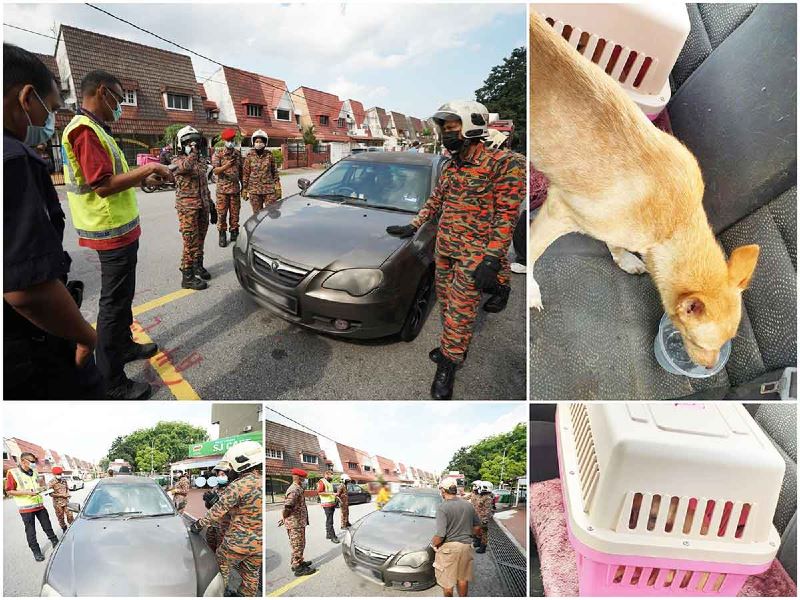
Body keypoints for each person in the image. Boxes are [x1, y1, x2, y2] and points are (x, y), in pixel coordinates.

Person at [386, 100, 525, 400]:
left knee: (461, 313)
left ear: (472, 126)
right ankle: (454, 344)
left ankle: (449, 363)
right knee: (448, 305)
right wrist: (414, 225)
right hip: (446, 248)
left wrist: (492, 258)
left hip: (475, 255)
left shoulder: (503, 163)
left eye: (453, 128)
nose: (447, 134)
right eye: (444, 129)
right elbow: (436, 200)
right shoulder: (452, 165)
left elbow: (506, 214)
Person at [62, 69, 173, 400]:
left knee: (122, 297)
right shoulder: (84, 130)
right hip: (109, 231)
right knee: (113, 304)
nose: (120, 105)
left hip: (121, 230)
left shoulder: (97, 129)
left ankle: (123, 347)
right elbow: (103, 185)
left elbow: (115, 177)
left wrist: (143, 180)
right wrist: (149, 168)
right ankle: (111, 380)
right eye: (119, 98)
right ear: (101, 92)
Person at [4, 44, 104, 400]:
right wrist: (86, 337)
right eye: (52, 109)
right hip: (27, 345)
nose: (52, 121)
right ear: (27, 97)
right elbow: (27, 289)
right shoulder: (14, 160)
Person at [190, 441, 263, 597]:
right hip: (260, 545)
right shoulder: (263, 481)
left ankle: (220, 593)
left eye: (228, 468)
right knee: (251, 575)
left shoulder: (239, 485)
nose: (226, 473)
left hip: (237, 542)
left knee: (220, 567)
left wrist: (197, 526)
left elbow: (217, 511)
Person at [171, 125, 216, 291]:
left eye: (195, 142)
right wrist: (192, 153)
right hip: (187, 208)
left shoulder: (200, 161)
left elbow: (204, 185)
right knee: (190, 242)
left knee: (201, 239)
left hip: (202, 205)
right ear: (181, 144)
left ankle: (198, 265)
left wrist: (211, 205)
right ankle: (187, 275)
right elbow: (185, 168)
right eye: (189, 142)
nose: (193, 145)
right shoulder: (177, 161)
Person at [431, 476, 481, 597]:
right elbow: (477, 528)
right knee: (462, 579)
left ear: (443, 491)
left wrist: (434, 544)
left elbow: (441, 535)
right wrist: (468, 534)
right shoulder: (468, 505)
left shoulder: (442, 508)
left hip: (448, 549)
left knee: (447, 583)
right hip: (465, 547)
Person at [5, 452, 59, 562]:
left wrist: (44, 488)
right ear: (23, 461)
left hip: (39, 505)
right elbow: (9, 491)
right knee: (31, 531)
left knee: (47, 525)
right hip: (26, 508)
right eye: (32, 462)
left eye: (35, 462)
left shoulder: (34, 472)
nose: (34, 464)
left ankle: (55, 541)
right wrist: (27, 492)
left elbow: (39, 485)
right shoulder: (13, 473)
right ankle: (36, 551)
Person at [281, 468, 316, 577]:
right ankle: (298, 568)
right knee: (298, 545)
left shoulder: (298, 488)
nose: (305, 481)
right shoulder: (294, 490)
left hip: (298, 522)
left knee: (299, 544)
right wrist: (285, 517)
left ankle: (299, 561)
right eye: (304, 479)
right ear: (299, 478)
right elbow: (288, 506)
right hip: (295, 523)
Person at [212, 128, 243, 248]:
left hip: (235, 189)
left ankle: (234, 232)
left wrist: (244, 186)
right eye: (229, 140)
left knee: (235, 213)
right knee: (222, 213)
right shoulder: (218, 153)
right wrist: (226, 166)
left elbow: (241, 171)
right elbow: (215, 171)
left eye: (232, 140)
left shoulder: (237, 154)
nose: (231, 142)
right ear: (224, 140)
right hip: (222, 191)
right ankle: (222, 234)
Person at [242, 130, 282, 214]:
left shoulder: (269, 155)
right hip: (254, 191)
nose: (258, 143)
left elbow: (274, 172)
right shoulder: (249, 156)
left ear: (265, 143)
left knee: (271, 213)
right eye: (256, 141)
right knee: (257, 215)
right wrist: (244, 189)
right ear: (253, 142)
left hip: (269, 190)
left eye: (260, 142)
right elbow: (246, 173)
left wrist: (278, 187)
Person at [48, 467, 74, 532]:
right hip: (58, 504)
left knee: (70, 515)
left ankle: (72, 528)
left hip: (66, 502)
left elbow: (67, 488)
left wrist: (68, 493)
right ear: (54, 474)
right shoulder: (51, 482)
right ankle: (64, 529)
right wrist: (61, 495)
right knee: (61, 517)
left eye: (60, 474)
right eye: (57, 474)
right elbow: (50, 494)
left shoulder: (64, 480)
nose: (59, 475)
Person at [316, 469, 339, 543]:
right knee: (330, 521)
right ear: (326, 475)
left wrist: (334, 496)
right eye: (331, 475)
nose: (332, 476)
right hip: (327, 504)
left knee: (329, 519)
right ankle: (333, 537)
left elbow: (329, 492)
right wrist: (331, 494)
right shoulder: (322, 481)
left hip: (331, 503)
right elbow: (320, 492)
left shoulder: (329, 482)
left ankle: (328, 534)